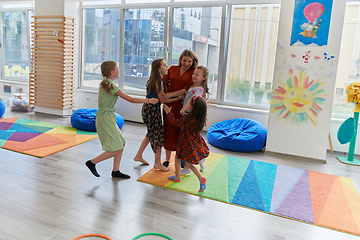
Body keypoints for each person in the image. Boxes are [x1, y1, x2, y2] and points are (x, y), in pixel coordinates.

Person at [85, 60, 158, 179]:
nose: (119, 70)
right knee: (117, 148)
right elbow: (131, 100)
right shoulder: (111, 85)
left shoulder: (106, 83)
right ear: (112, 72)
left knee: (122, 143)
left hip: (107, 116)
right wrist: (149, 101)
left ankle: (115, 171)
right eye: (117, 68)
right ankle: (92, 162)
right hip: (105, 118)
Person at [133, 58, 184, 171]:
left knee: (151, 133)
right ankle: (157, 163)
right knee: (157, 136)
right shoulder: (158, 82)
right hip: (152, 110)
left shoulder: (158, 81)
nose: (167, 67)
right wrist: (179, 97)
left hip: (149, 109)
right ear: (158, 68)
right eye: (164, 65)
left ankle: (138, 155)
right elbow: (162, 99)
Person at [159, 49, 199, 167]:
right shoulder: (172, 69)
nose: (186, 63)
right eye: (184, 60)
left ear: (193, 62)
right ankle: (167, 159)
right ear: (181, 59)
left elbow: (186, 89)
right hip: (169, 103)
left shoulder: (193, 73)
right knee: (168, 131)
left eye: (189, 61)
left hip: (182, 105)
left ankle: (181, 158)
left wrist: (170, 94)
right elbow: (164, 82)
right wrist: (162, 94)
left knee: (180, 132)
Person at [163, 95, 209, 192]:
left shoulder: (187, 119)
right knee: (178, 158)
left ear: (192, 107)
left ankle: (200, 178)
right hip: (194, 142)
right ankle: (178, 176)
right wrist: (184, 113)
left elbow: (175, 122)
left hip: (186, 142)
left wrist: (168, 113)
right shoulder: (198, 118)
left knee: (188, 164)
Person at [179, 65, 210, 175]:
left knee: (188, 144)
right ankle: (200, 160)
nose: (194, 76)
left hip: (190, 119)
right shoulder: (193, 86)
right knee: (193, 142)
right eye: (193, 74)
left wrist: (184, 109)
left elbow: (193, 101)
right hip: (188, 117)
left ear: (203, 78)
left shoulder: (199, 90)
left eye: (197, 75)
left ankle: (187, 167)